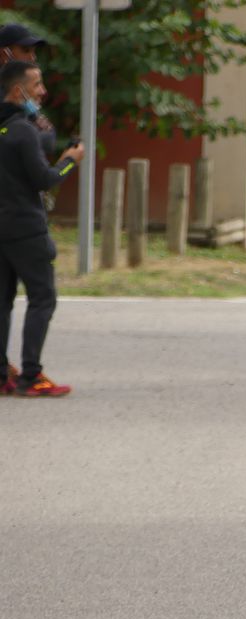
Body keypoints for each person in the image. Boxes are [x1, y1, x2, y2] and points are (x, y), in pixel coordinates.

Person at [0, 61, 83, 397]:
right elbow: (44, 180)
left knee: (2, 301)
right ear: (18, 91)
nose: (43, 92)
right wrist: (70, 160)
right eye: (37, 86)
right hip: (25, 228)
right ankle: (31, 375)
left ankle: (2, 374)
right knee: (42, 299)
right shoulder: (21, 129)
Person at [0, 24, 56, 156]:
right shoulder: (7, 97)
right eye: (26, 51)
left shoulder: (23, 96)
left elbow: (48, 138)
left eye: (34, 51)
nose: (33, 58)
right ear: (4, 54)